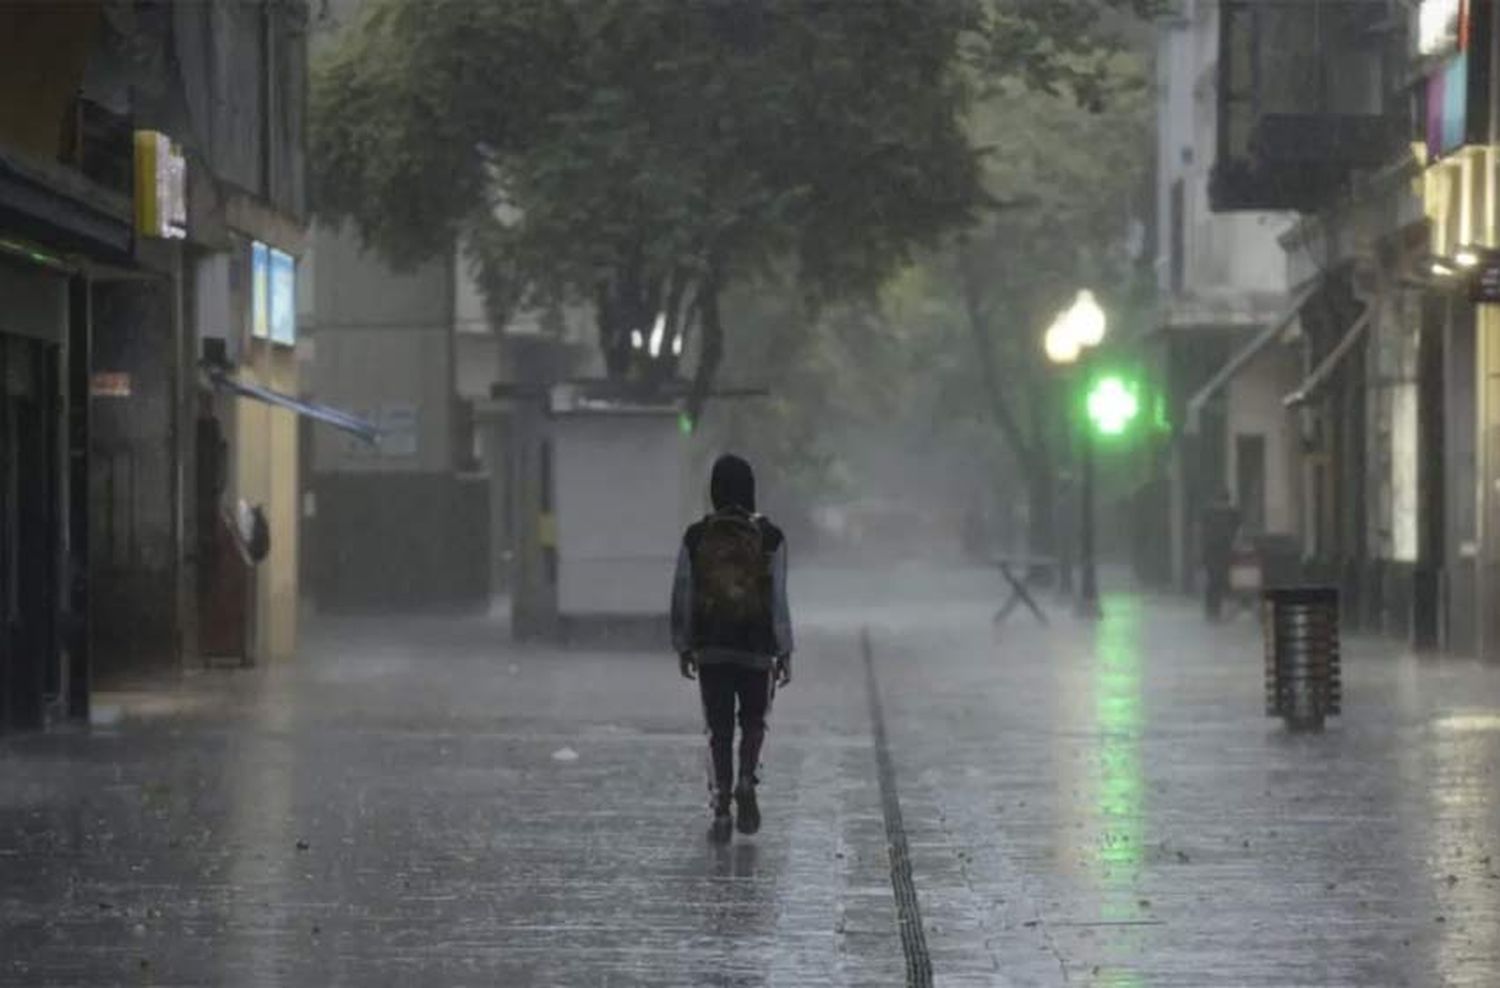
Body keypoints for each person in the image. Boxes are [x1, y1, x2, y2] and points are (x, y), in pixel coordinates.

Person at [671, 454, 794, 843]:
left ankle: (722, 805)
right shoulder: (771, 538)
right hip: (756, 647)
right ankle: (746, 778)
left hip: (712, 646)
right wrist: (784, 648)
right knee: (754, 721)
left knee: (719, 729)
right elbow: (777, 598)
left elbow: (683, 591)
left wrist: (684, 643)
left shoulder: (696, 537)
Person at [1200, 489, 1241, 621]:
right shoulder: (1212, 512)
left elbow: (1237, 526)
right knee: (1215, 579)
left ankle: (1214, 611)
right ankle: (1213, 611)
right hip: (1215, 550)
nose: (1222, 506)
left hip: (1220, 550)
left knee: (1218, 579)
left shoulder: (1229, 513)